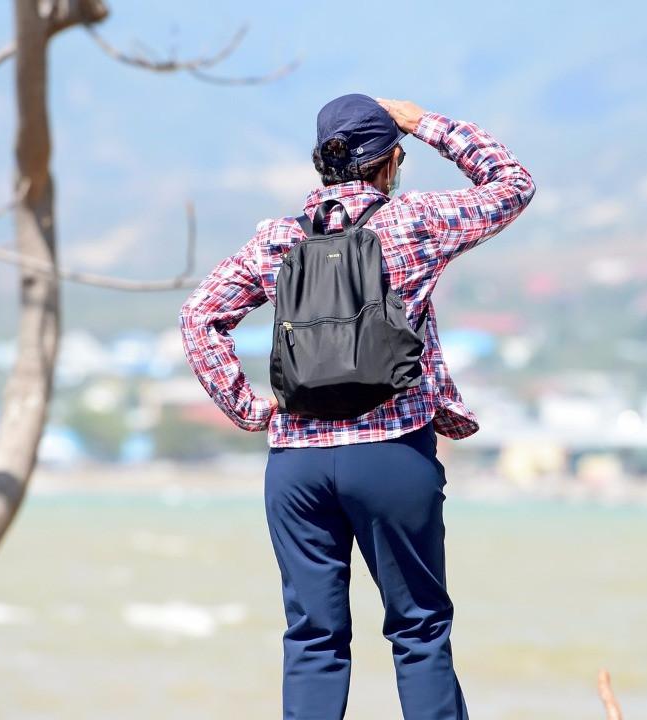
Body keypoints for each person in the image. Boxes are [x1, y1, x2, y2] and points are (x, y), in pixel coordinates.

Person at [179, 94, 535, 720]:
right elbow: (512, 183)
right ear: (390, 161)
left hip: (297, 468)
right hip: (391, 454)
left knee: (313, 640)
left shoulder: (277, 240)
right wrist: (425, 122)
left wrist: (247, 409)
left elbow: (200, 315)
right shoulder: (414, 221)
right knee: (418, 631)